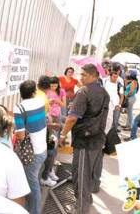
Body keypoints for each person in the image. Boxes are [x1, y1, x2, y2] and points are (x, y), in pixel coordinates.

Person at [59, 64, 110, 214]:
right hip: (98, 138)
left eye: (84, 75)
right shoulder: (104, 92)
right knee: (88, 172)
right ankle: (87, 199)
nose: (80, 78)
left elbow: (72, 117)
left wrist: (62, 135)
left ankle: (81, 208)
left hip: (84, 140)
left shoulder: (84, 91)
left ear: (94, 76)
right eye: (80, 75)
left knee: (81, 174)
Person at [14, 80, 47, 214]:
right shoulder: (40, 101)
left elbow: (21, 136)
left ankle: (34, 211)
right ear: (34, 92)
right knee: (34, 181)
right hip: (42, 149)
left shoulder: (19, 108)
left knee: (32, 185)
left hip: (31, 154)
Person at [40, 76, 65, 187]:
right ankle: (47, 172)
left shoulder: (61, 91)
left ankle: (49, 171)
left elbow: (63, 104)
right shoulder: (44, 94)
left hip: (55, 118)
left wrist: (57, 101)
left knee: (54, 145)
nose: (53, 87)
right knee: (51, 147)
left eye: (55, 85)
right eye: (52, 85)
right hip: (49, 122)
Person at [103, 66, 124, 133]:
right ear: (110, 76)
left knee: (114, 121)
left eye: (116, 77)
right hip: (106, 104)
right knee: (106, 120)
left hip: (116, 105)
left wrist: (119, 105)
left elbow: (122, 96)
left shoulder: (119, 85)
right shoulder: (106, 82)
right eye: (114, 77)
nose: (115, 78)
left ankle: (112, 135)